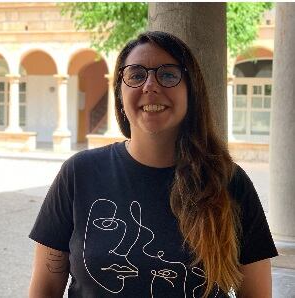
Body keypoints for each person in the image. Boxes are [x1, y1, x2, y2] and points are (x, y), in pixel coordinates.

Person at [28, 31, 277, 297]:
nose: (150, 85)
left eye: (168, 74)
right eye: (136, 75)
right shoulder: (78, 174)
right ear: (120, 94)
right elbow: (45, 288)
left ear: (191, 92)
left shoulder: (228, 182)